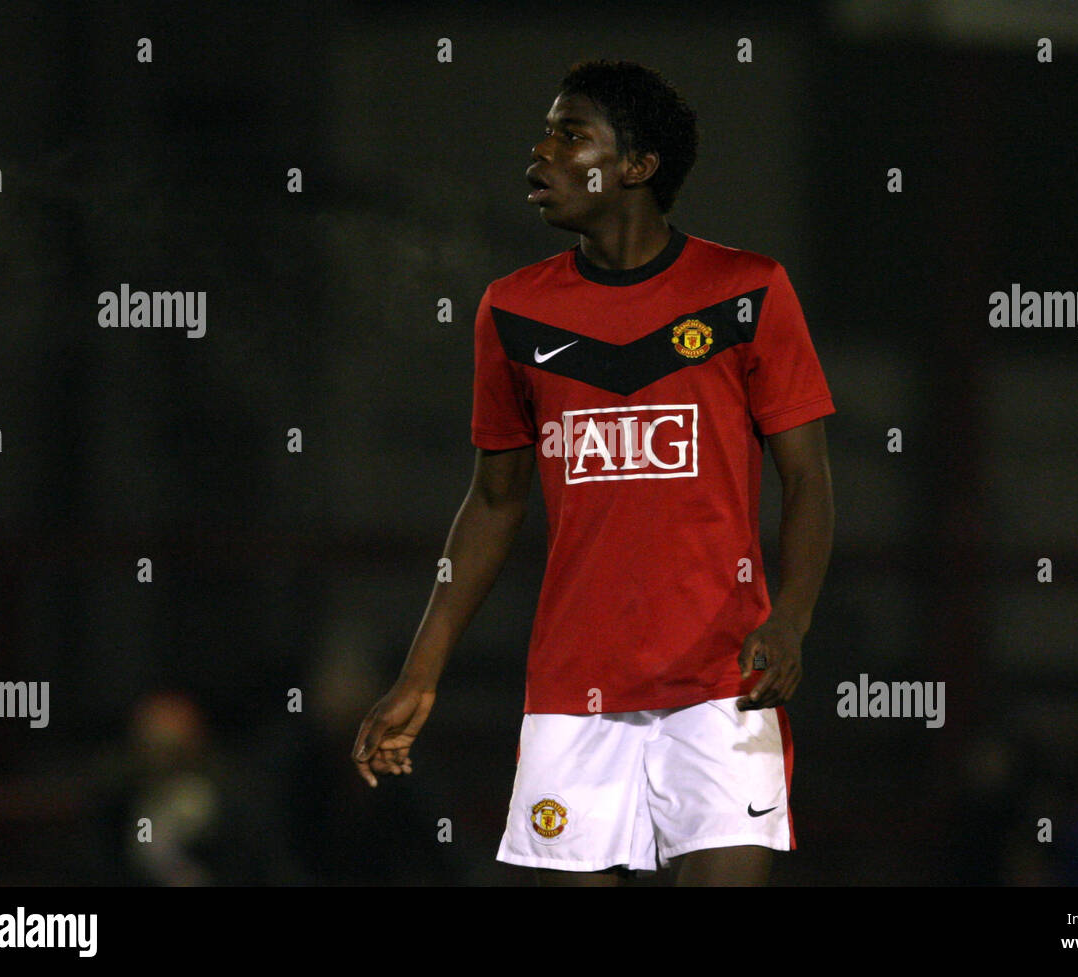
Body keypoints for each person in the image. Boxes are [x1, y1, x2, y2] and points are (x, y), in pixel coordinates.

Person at [353, 59, 835, 885]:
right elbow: (493, 502)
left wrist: (790, 618)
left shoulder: (746, 292)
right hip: (574, 693)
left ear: (639, 166)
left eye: (570, 134)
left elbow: (810, 482)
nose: (540, 153)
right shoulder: (513, 310)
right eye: (545, 133)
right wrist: (421, 671)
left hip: (724, 684)